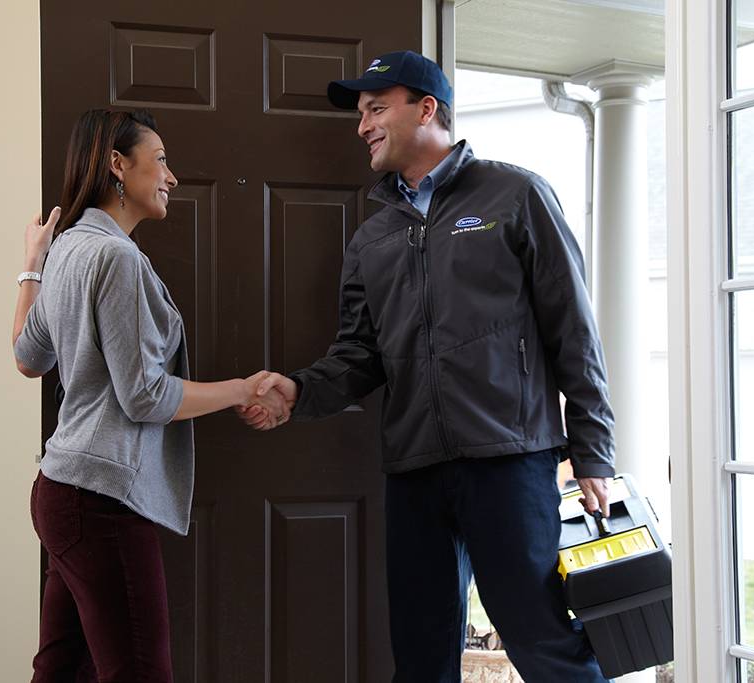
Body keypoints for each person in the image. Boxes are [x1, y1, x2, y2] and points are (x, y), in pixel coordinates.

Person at [241, 51, 617, 682]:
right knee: (420, 656)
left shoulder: (516, 194)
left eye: (376, 108)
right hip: (415, 471)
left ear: (427, 109)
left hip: (509, 460)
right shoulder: (373, 238)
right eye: (359, 113)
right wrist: (297, 391)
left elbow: (573, 331)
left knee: (546, 644)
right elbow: (358, 355)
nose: (362, 125)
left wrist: (594, 451)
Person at [12, 109, 286, 682]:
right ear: (118, 164)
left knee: (61, 669)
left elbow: (26, 356)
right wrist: (240, 388)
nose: (172, 175)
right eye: (160, 159)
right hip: (100, 501)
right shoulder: (114, 257)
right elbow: (144, 396)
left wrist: (32, 265)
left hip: (62, 490)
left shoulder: (67, 249)